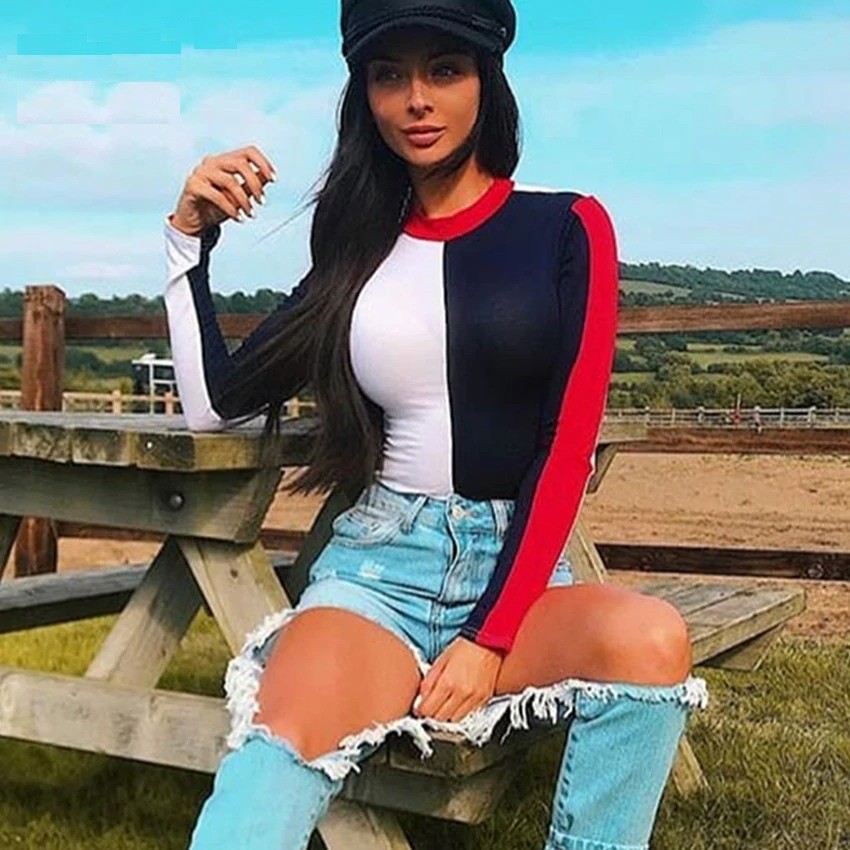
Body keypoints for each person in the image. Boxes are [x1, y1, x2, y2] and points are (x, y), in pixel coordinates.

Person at [163, 2, 708, 848]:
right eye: (389, 76)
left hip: (519, 579)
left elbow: (565, 449)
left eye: (444, 70)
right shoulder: (355, 251)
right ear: (365, 97)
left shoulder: (568, 229)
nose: (416, 98)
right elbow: (214, 402)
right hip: (379, 572)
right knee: (271, 762)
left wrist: (489, 637)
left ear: (487, 80)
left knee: (651, 640)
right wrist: (186, 243)